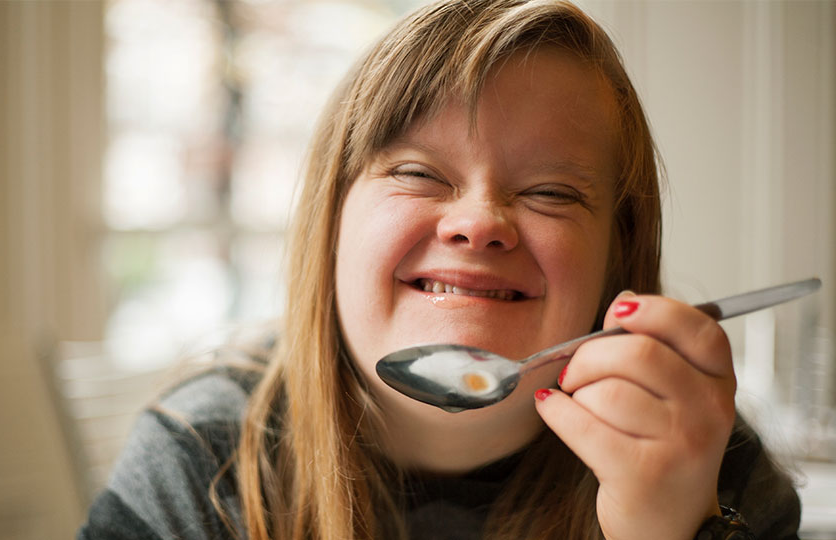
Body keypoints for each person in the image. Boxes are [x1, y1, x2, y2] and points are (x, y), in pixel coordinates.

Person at [79, 0, 801, 538]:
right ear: (329, 222)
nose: (481, 221)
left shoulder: (707, 466)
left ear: (620, 255)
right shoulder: (204, 457)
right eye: (420, 173)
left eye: (552, 192)